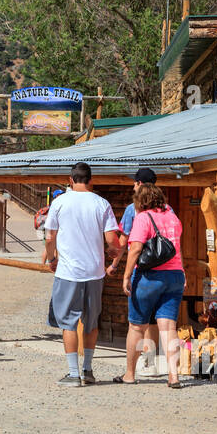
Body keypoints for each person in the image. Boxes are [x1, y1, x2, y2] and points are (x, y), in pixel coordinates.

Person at [43, 162, 120, 387]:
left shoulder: (59, 203)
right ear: (91, 180)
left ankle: (73, 373)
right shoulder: (101, 203)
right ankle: (87, 369)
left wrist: (51, 259)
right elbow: (111, 240)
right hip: (94, 272)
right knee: (91, 322)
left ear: (70, 180)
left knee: (68, 322)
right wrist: (114, 252)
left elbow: (49, 238)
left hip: (68, 272)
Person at [119, 182, 186, 388]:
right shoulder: (173, 218)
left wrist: (126, 275)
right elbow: (178, 249)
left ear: (141, 200)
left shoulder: (143, 218)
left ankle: (129, 374)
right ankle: (173, 376)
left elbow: (136, 248)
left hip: (150, 277)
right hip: (175, 275)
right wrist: (183, 273)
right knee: (168, 327)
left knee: (137, 326)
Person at [119, 167, 170, 365]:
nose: (133, 185)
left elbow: (127, 242)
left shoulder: (134, 209)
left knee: (138, 322)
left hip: (144, 269)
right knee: (158, 319)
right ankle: (151, 358)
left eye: (134, 182)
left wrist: (117, 264)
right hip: (167, 269)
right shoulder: (169, 209)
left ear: (140, 183)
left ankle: (134, 366)